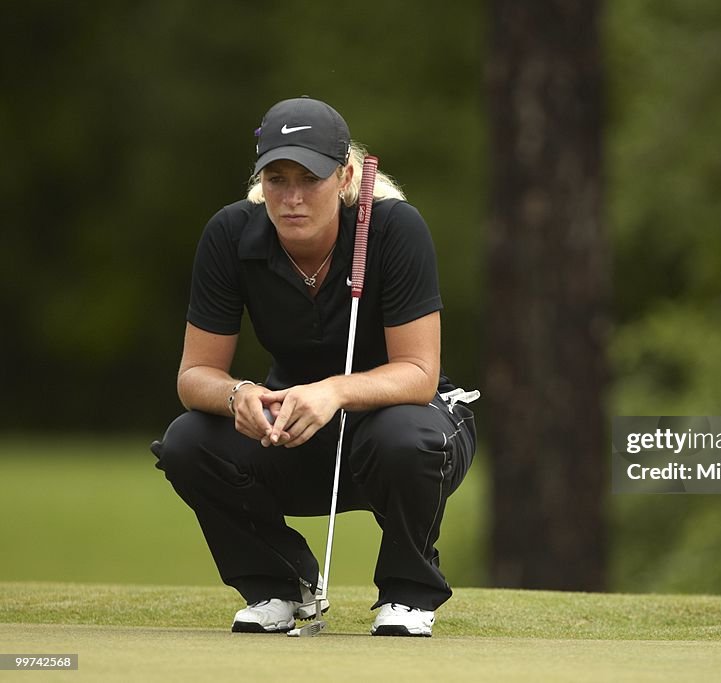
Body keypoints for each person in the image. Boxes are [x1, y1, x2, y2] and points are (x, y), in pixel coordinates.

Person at [151, 96, 477, 637]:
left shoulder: (394, 228)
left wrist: (333, 391)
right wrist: (241, 396)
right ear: (260, 181)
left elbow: (418, 373)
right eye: (277, 179)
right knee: (187, 441)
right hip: (298, 431)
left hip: (407, 426)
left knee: (406, 435)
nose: (293, 197)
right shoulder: (231, 235)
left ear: (346, 175)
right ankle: (279, 584)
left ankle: (408, 594)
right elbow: (194, 377)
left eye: (311, 178)